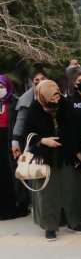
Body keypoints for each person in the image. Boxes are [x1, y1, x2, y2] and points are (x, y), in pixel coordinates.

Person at [22, 80, 81, 241]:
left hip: (67, 156)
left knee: (71, 190)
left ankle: (74, 222)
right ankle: (50, 226)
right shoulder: (35, 109)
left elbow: (77, 131)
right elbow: (28, 133)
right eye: (52, 96)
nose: (56, 99)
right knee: (48, 194)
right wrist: (44, 141)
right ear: (43, 95)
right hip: (46, 158)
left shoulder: (67, 106)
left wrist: (80, 152)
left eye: (57, 94)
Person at [0, 75, 29, 220]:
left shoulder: (15, 102)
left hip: (11, 141)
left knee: (13, 173)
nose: (0, 90)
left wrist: (17, 142)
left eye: (1, 87)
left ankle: (18, 204)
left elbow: (20, 123)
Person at [12, 70, 48, 158]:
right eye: (37, 80)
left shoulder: (57, 95)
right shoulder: (26, 99)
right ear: (33, 82)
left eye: (43, 78)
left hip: (54, 140)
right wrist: (15, 143)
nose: (40, 82)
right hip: (33, 142)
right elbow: (20, 123)